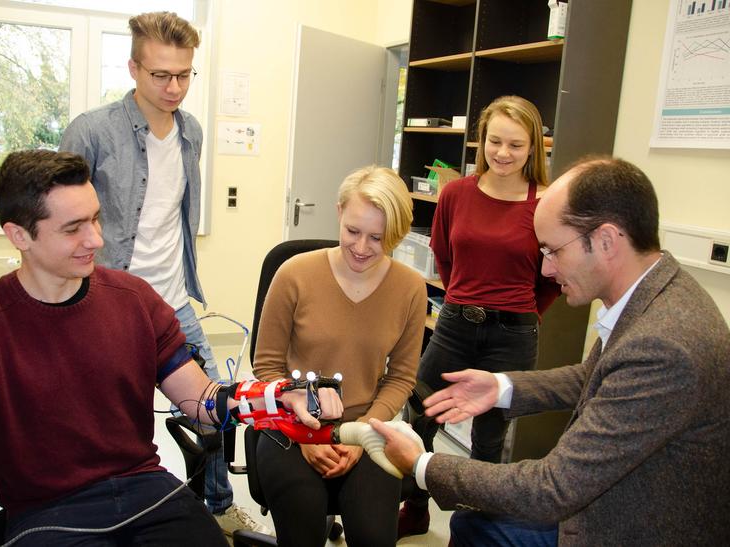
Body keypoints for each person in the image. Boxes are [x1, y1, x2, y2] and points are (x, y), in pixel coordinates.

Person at [0, 150, 342, 547]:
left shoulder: (133, 300)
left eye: (95, 218)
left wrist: (275, 398)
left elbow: (203, 401)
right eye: (73, 228)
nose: (95, 238)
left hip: (147, 494)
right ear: (18, 235)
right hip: (47, 513)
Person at [370, 157, 730, 546]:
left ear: (606, 241)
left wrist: (423, 464)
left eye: (553, 250)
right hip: (622, 500)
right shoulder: (655, 295)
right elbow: (593, 374)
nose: (544, 269)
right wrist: (501, 387)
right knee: (472, 524)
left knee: (477, 528)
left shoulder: (662, 345)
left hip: (636, 526)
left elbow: (553, 487)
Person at [58, 11, 267, 536]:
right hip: (103, 305)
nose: (175, 87)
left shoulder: (191, 132)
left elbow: (174, 214)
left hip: (172, 304)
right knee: (108, 424)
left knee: (213, 409)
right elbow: (56, 217)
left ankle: (219, 506)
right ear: (133, 68)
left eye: (185, 74)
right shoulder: (91, 131)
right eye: (161, 75)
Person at [399, 95, 560, 537]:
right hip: (455, 324)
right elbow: (445, 258)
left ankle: (474, 530)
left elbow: (551, 279)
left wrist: (522, 315)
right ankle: (413, 508)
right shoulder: (456, 194)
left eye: (516, 145)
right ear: (481, 141)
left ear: (534, 149)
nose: (503, 153)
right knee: (419, 416)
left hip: (514, 333)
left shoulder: (545, 204)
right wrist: (463, 299)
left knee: (488, 441)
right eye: (495, 142)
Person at [252, 166, 427, 546]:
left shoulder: (411, 288)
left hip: (368, 427)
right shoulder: (294, 273)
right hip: (290, 426)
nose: (362, 247)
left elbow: (400, 377)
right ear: (339, 213)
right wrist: (304, 434)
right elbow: (266, 365)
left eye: (378, 238)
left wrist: (362, 433)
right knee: (302, 535)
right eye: (352, 231)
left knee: (374, 537)